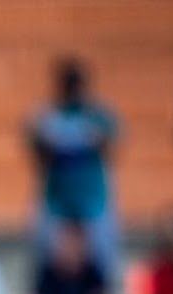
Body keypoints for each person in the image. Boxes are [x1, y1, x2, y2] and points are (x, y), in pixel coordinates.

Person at [28, 57, 119, 274]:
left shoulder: (100, 115)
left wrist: (90, 138)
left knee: (100, 257)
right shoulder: (47, 116)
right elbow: (39, 155)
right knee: (50, 256)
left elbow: (111, 149)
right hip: (56, 199)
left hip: (94, 198)